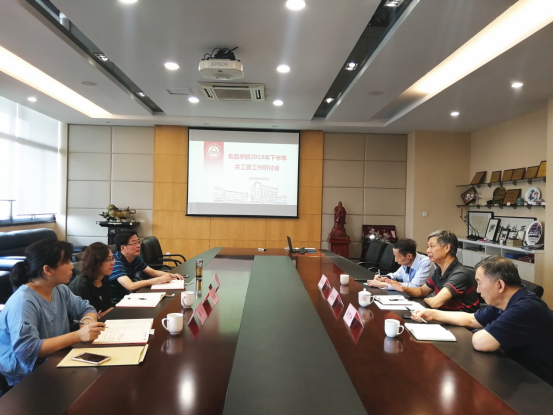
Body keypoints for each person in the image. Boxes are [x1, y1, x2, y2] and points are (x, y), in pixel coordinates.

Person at [412, 256, 553, 386]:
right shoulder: (502, 302)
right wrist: (433, 314)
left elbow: (481, 342)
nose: (478, 290)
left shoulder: (526, 307)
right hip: (518, 373)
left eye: (479, 283)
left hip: (541, 385)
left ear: (499, 285)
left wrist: (487, 330)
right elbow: (472, 319)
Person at [0, 240, 105, 389]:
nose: (72, 266)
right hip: (26, 380)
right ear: (48, 270)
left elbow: (86, 308)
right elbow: (26, 351)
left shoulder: (59, 289)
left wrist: (87, 323)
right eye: (66, 261)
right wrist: (78, 336)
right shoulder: (23, 302)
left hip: (56, 360)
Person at [384, 230, 479, 312]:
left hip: (461, 323)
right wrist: (402, 288)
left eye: (432, 246)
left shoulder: (459, 274)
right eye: (427, 247)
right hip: (444, 316)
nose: (428, 251)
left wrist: (425, 300)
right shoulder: (439, 270)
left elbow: (435, 303)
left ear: (447, 248)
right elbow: (422, 291)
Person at [109, 231, 183, 303]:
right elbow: (130, 286)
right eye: (134, 243)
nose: (138, 246)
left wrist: (171, 275)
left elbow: (153, 272)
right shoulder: (115, 262)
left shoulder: (134, 258)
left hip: (129, 297)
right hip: (118, 301)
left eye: (138, 242)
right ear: (122, 247)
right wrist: (159, 280)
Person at [69, 242, 114, 318]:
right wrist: (103, 314)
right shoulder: (82, 286)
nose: (113, 263)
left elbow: (106, 309)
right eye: (108, 259)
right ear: (95, 261)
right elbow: (85, 318)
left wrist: (105, 313)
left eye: (112, 258)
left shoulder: (104, 279)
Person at [368, 238, 435, 290]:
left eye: (397, 257)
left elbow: (415, 286)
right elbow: (395, 276)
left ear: (409, 256)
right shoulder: (407, 263)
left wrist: (383, 284)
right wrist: (384, 278)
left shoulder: (426, 263)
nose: (395, 260)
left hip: (425, 300)